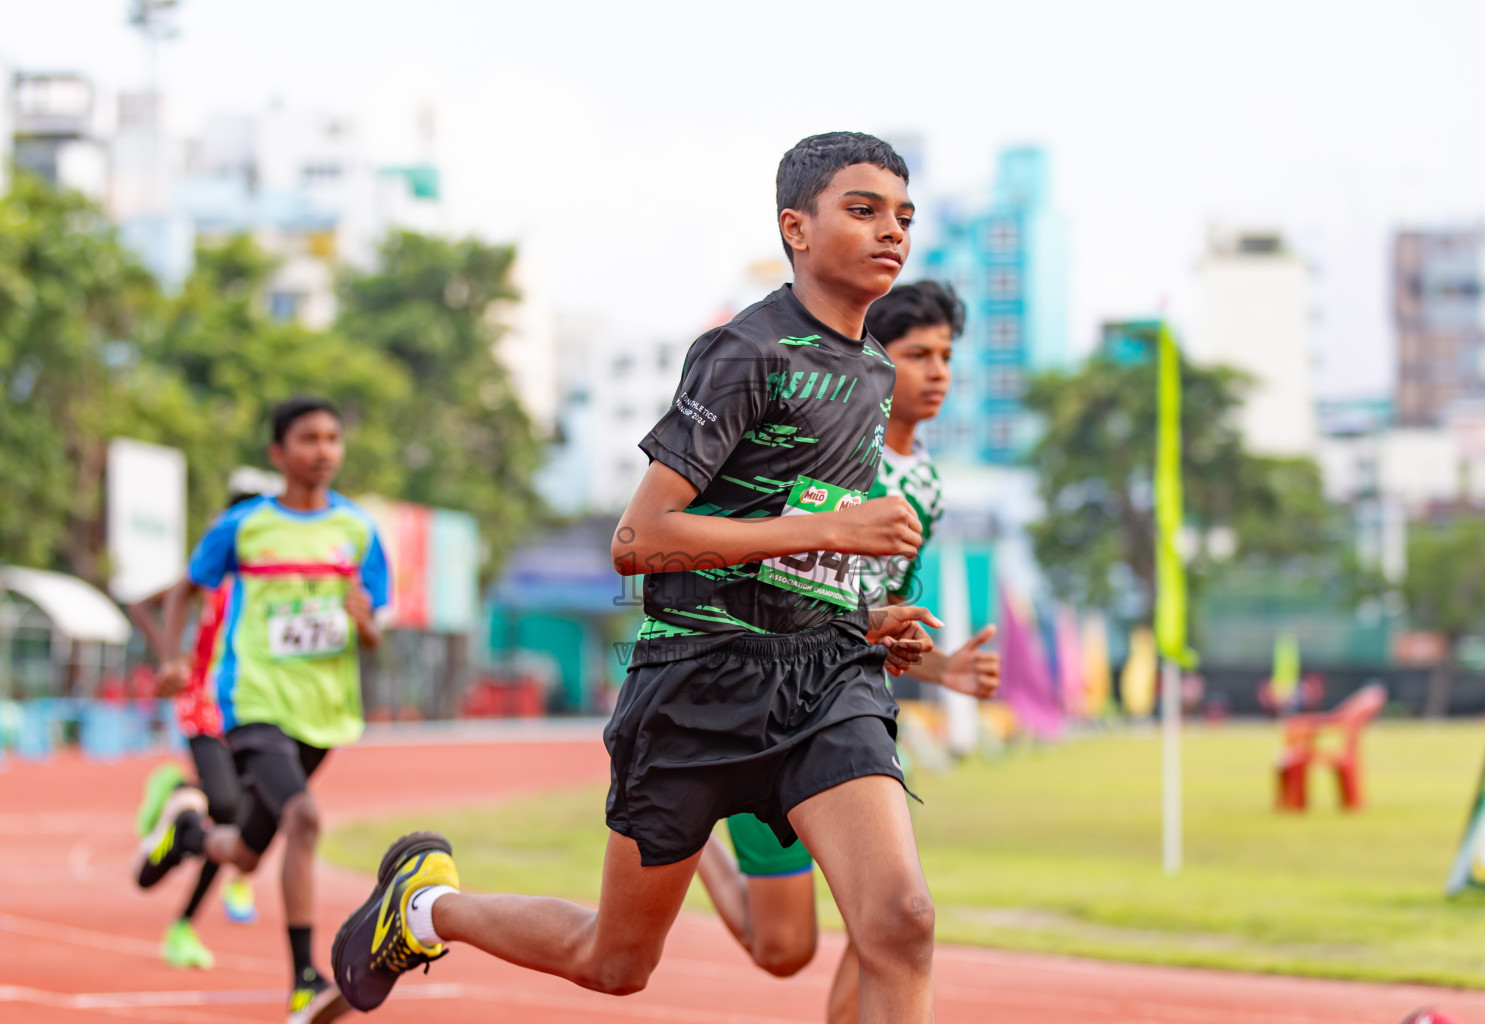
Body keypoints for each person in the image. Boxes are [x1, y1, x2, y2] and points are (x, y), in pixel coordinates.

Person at [331, 132, 943, 1023]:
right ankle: (425, 908)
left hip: (823, 677)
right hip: (699, 681)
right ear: (795, 228)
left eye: (903, 217)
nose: (891, 231)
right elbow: (639, 537)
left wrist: (867, 610)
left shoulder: (872, 371)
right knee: (614, 962)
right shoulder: (746, 351)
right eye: (862, 210)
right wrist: (834, 527)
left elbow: (798, 536)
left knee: (902, 920)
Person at [694, 280, 1002, 1022]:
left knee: (890, 923)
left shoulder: (924, 484)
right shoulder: (826, 450)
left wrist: (943, 665)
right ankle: (690, 816)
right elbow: (786, 592)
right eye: (917, 355)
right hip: (769, 702)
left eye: (947, 357)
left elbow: (878, 616)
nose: (938, 373)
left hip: (852, 715)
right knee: (783, 949)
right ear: (874, 360)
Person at [134, 396, 389, 1024]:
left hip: (324, 711)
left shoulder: (357, 531)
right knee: (302, 818)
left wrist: (366, 625)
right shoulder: (245, 526)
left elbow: (373, 627)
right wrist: (172, 659)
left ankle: (186, 834)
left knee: (247, 852)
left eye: (333, 437)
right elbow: (181, 592)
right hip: (252, 701)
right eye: (308, 438)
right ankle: (305, 981)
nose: (324, 449)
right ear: (278, 453)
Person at [128, 487, 265, 970]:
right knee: (226, 807)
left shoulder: (270, 583)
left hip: (254, 711)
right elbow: (143, 604)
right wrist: (171, 658)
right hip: (204, 704)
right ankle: (182, 805)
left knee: (245, 819)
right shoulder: (211, 577)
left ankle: (180, 793)